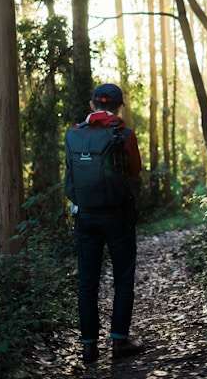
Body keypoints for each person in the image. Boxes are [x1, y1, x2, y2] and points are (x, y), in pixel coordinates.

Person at [65, 83, 144, 363]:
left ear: (92, 106)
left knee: (87, 281)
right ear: (120, 106)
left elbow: (71, 175)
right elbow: (134, 170)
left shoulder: (73, 134)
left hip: (85, 215)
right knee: (123, 278)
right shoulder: (124, 134)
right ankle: (119, 342)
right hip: (118, 216)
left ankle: (89, 347)